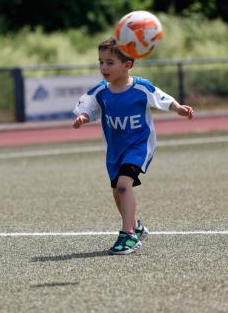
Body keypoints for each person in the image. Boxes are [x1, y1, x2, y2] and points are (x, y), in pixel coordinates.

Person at [72, 37, 194, 255]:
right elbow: (87, 106)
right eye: (100, 62)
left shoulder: (140, 87)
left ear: (127, 65)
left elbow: (162, 98)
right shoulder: (101, 91)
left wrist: (178, 108)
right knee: (117, 191)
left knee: (123, 185)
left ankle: (127, 235)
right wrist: (83, 117)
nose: (103, 67)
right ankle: (136, 226)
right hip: (115, 150)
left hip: (139, 145)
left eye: (110, 62)